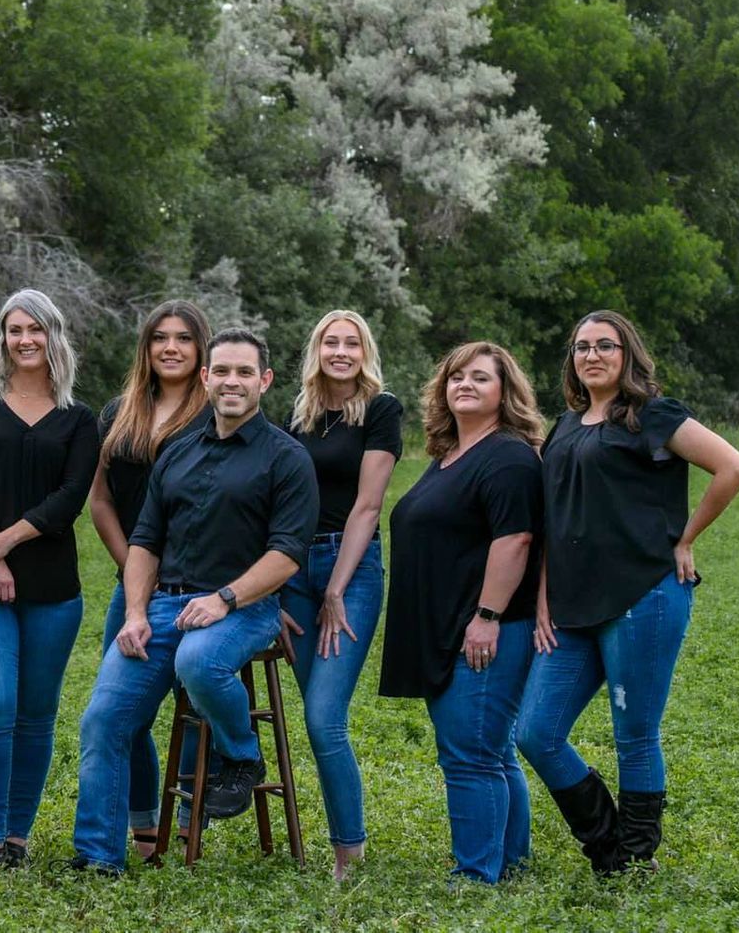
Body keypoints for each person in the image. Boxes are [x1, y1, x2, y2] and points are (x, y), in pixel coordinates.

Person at [69, 328, 319, 876]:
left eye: (244, 373)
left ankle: (241, 754)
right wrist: (134, 613)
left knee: (198, 660)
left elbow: (288, 554)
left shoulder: (287, 458)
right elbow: (145, 542)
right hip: (162, 607)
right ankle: (97, 856)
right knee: (103, 720)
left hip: (245, 608)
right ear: (206, 379)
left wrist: (226, 599)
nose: (232, 382)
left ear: (265, 381)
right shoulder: (178, 453)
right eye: (222, 371)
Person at [515, 311, 739, 874]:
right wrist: (544, 597)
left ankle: (633, 859)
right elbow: (552, 517)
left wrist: (685, 539)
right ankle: (606, 841)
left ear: (627, 354)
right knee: (535, 732)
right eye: (581, 348)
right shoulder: (567, 424)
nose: (592, 355)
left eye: (605, 346)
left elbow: (734, 468)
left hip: (642, 596)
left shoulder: (653, 415)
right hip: (571, 607)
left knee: (635, 734)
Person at [379, 341, 544, 885]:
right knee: (491, 751)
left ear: (505, 392)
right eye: (456, 377)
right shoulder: (451, 455)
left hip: (483, 628)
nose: (465, 385)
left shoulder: (508, 456)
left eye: (480, 378)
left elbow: (516, 539)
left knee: (470, 755)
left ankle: (476, 874)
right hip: (446, 625)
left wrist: (488, 616)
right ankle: (511, 860)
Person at [0, 288, 99, 868]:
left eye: (35, 329)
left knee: (35, 715)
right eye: (14, 330)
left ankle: (17, 838)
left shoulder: (79, 420)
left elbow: (69, 499)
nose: (25, 339)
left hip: (54, 592)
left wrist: (9, 540)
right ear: (2, 339)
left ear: (53, 335)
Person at [87, 298, 211, 860]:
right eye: (160, 337)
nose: (171, 347)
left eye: (183, 338)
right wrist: (130, 564)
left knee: (195, 706)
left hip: (200, 586)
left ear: (200, 348)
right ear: (146, 347)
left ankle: (189, 820)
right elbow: (101, 500)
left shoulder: (217, 412)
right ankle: (141, 824)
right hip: (134, 585)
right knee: (120, 710)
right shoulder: (120, 411)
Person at [283, 309, 403, 878]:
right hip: (292, 571)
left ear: (364, 350)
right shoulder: (297, 414)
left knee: (324, 717)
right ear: (317, 349)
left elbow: (369, 505)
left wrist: (335, 586)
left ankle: (347, 855)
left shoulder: (380, 411)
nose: (340, 350)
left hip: (348, 567)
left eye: (351, 342)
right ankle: (343, 846)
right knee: (314, 712)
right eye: (331, 341)